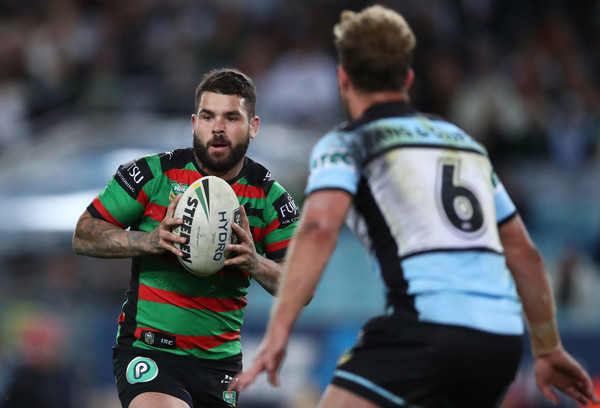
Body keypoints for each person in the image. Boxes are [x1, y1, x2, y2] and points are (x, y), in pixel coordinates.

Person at [230, 5, 599, 408]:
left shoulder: (349, 143)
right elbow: (524, 253)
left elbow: (319, 228)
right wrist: (548, 349)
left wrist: (278, 333)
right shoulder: (464, 144)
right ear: (407, 79)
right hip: (500, 342)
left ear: (343, 79)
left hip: (426, 329)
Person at [72, 68, 300, 408]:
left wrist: (255, 263)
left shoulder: (270, 198)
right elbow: (83, 234)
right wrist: (147, 241)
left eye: (231, 118)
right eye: (208, 117)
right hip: (150, 349)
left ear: (253, 126)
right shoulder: (153, 174)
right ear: (194, 123)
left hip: (220, 364)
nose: (218, 128)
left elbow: (301, 286)